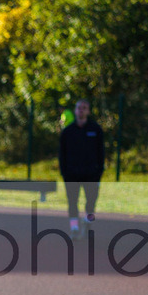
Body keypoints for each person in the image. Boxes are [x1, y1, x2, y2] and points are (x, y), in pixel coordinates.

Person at [59, 99, 105, 238]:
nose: (81, 110)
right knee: (72, 201)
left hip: (91, 174)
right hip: (71, 174)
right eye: (79, 107)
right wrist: (64, 172)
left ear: (88, 111)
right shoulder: (68, 131)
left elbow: (101, 152)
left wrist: (99, 171)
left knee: (91, 202)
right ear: (75, 110)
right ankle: (74, 228)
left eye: (84, 108)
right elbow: (62, 153)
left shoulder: (95, 129)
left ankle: (88, 221)